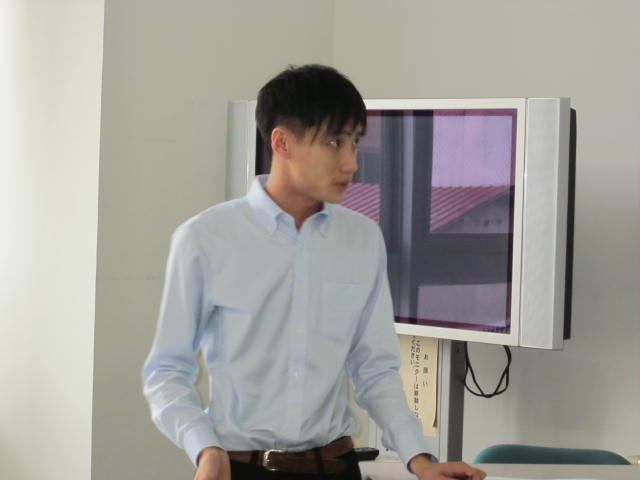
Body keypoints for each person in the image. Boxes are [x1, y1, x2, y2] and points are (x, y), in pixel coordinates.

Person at [143, 64, 486, 480]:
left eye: (355, 143)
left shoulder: (362, 239)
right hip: (239, 468)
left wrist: (419, 459)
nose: (351, 163)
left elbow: (375, 369)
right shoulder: (205, 239)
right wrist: (204, 448)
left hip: (337, 467)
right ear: (282, 142)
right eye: (334, 142)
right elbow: (166, 371)